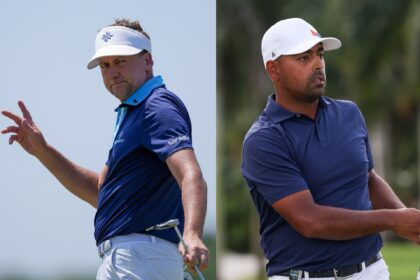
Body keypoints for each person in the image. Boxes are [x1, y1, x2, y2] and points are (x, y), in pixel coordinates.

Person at [1, 19, 208, 280]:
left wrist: (193, 233)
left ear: (147, 61)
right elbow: (99, 192)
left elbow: (191, 174)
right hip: (128, 259)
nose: (112, 73)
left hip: (141, 258)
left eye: (121, 61)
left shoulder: (157, 107)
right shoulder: (134, 113)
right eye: (105, 65)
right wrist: (43, 151)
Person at [241, 17, 420, 280]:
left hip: (372, 270)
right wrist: (393, 220)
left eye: (320, 54)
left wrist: (409, 223)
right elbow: (310, 221)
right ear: (274, 70)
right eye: (303, 57)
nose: (317, 64)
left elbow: (368, 179)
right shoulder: (264, 140)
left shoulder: (349, 113)